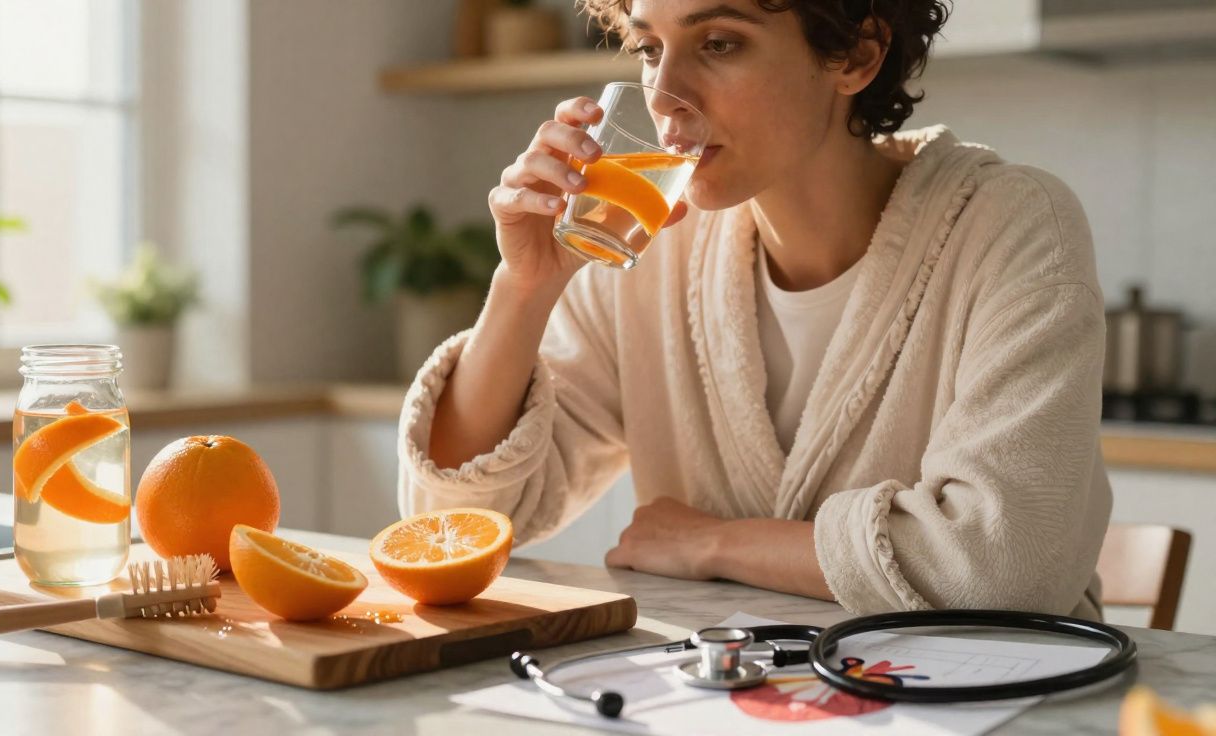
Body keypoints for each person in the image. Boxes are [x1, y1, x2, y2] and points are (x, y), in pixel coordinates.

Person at [396, 0, 1110, 618]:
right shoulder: (652, 247)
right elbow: (451, 529)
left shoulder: (1012, 224)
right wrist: (524, 288)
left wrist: (713, 543)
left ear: (855, 55)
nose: (665, 94)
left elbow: (1003, 566)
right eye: (650, 49)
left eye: (718, 44)